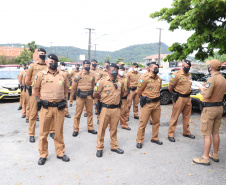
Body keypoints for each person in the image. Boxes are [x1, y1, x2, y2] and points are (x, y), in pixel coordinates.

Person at [33, 54, 70, 165]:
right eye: (50, 61)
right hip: (46, 108)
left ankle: (60, 153)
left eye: (54, 61)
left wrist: (63, 100)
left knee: (59, 132)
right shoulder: (41, 75)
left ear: (57, 62)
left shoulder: (63, 75)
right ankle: (43, 154)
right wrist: (41, 100)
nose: (52, 62)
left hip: (59, 108)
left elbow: (66, 90)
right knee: (43, 133)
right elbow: (35, 90)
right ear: (47, 62)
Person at [193, 59, 226, 165]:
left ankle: (205, 157)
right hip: (219, 107)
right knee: (215, 132)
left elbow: (206, 95)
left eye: (209, 66)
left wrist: (201, 89)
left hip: (210, 109)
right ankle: (215, 154)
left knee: (207, 134)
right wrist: (206, 86)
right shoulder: (223, 78)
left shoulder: (212, 79)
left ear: (211, 67)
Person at [94, 63, 125, 157]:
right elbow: (95, 94)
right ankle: (99, 148)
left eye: (116, 69)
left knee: (114, 129)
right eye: (113, 69)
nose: (115, 70)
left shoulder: (120, 82)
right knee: (102, 129)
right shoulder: (102, 81)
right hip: (105, 108)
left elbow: (123, 93)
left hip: (116, 108)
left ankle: (114, 146)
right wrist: (104, 99)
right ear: (108, 70)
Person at [136, 62, 163, 148]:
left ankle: (154, 138)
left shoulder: (159, 79)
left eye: (157, 67)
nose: (157, 68)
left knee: (156, 122)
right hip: (147, 104)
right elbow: (138, 91)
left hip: (157, 104)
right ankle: (139, 140)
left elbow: (159, 89)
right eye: (155, 67)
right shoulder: (144, 78)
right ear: (150, 68)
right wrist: (144, 97)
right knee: (142, 123)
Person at [168, 59, 195, 142]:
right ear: (182, 66)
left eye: (189, 67)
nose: (188, 68)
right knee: (175, 116)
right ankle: (171, 134)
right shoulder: (176, 74)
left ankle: (186, 132)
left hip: (188, 98)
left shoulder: (189, 75)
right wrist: (175, 95)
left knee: (187, 116)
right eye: (187, 66)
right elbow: (170, 87)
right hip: (179, 98)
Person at [25, 48, 47, 143]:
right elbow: (27, 81)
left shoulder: (48, 65)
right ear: (38, 54)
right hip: (35, 93)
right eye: (41, 53)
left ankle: (50, 131)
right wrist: (35, 86)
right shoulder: (32, 66)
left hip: (45, 93)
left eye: (44, 53)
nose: (43, 55)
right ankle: (31, 134)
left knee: (47, 113)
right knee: (33, 114)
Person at [72, 60, 97, 137]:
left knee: (90, 113)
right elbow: (74, 87)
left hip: (89, 96)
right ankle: (75, 129)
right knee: (78, 113)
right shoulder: (78, 75)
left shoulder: (92, 75)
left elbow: (93, 86)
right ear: (83, 66)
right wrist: (75, 95)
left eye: (89, 65)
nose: (87, 66)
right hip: (80, 96)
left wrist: (93, 95)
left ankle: (90, 128)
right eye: (86, 65)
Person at [118, 65, 131, 130]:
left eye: (123, 70)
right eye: (120, 70)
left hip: (124, 98)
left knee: (124, 112)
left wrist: (127, 93)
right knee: (113, 113)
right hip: (116, 98)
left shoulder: (126, 78)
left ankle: (124, 125)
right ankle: (111, 126)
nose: (122, 72)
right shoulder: (115, 78)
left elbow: (128, 86)